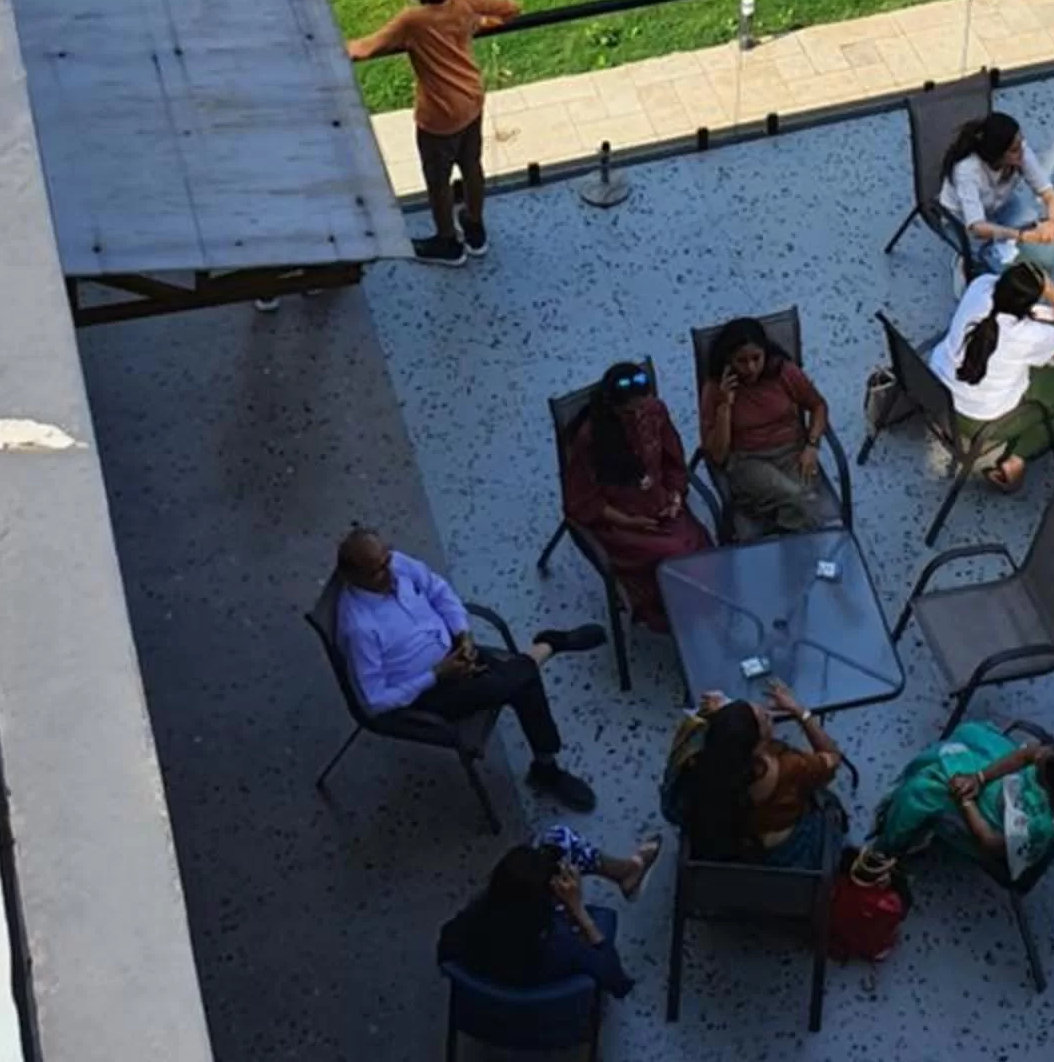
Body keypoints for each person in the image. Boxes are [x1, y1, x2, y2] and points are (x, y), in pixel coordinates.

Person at [332, 527, 603, 812]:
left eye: (387, 559)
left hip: (453, 651)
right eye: (377, 571)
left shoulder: (395, 564)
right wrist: (436, 674)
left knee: (521, 680)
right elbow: (374, 702)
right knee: (514, 681)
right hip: (427, 693)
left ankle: (544, 653)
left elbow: (438, 590)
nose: (389, 572)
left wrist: (463, 634)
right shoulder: (358, 628)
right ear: (352, 578)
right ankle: (547, 649)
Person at [346, 0, 519, 267]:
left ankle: (447, 242)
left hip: (438, 117)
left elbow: (364, 49)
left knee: (438, 182)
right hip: (471, 101)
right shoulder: (464, 0)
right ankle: (475, 228)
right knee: (471, 166)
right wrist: (479, 22)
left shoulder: (412, 21)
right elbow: (510, 8)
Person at [560, 361, 712, 632]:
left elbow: (673, 461)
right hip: (619, 519)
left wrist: (676, 497)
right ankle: (668, 611)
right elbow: (582, 499)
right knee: (674, 552)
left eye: (643, 406)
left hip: (661, 503)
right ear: (614, 408)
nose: (640, 414)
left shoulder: (655, 411)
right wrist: (630, 522)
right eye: (631, 410)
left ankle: (696, 608)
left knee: (699, 545)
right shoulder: (590, 437)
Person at [872, 721, 1054, 882]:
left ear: (1048, 789)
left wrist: (965, 801)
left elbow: (990, 842)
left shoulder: (1038, 827)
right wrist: (979, 777)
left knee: (921, 789)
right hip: (1010, 786)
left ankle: (888, 848)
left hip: (995, 821)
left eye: (1041, 761)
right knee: (971, 731)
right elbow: (1026, 755)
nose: (1037, 755)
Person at [438, 837, 652, 1002]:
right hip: (546, 1006)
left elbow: (444, 953)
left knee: (555, 839)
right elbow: (618, 982)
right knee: (563, 840)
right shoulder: (564, 947)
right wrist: (578, 910)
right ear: (547, 900)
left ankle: (625, 871)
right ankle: (626, 871)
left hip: (489, 1008)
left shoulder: (468, 926)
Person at [930, 256, 1054, 490]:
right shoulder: (1027, 336)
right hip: (977, 420)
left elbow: (1000, 285)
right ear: (1027, 307)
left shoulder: (979, 286)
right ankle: (1016, 460)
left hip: (935, 389)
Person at [666, 683, 847, 869]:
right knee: (828, 803)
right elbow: (833, 757)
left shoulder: (696, 764)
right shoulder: (791, 769)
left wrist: (727, 713)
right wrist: (801, 712)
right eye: (764, 719)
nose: (769, 715)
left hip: (727, 841)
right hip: (777, 847)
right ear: (758, 747)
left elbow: (728, 734)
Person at [700, 318, 833, 536]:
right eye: (741, 361)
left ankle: (777, 537)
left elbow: (818, 405)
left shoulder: (783, 372)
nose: (751, 367)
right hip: (748, 460)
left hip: (792, 452)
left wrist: (812, 445)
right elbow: (718, 456)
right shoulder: (715, 389)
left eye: (756, 358)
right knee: (799, 500)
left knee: (799, 504)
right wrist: (725, 406)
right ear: (728, 360)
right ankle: (803, 551)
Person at [938, 109, 1054, 272]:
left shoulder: (1020, 151)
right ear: (997, 154)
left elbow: (1048, 193)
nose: (1022, 153)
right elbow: (977, 227)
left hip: (1001, 205)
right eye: (1014, 150)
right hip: (962, 218)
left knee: (1035, 231)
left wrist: (1052, 223)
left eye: (1021, 143)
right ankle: (964, 264)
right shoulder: (966, 170)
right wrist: (1019, 235)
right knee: (989, 263)